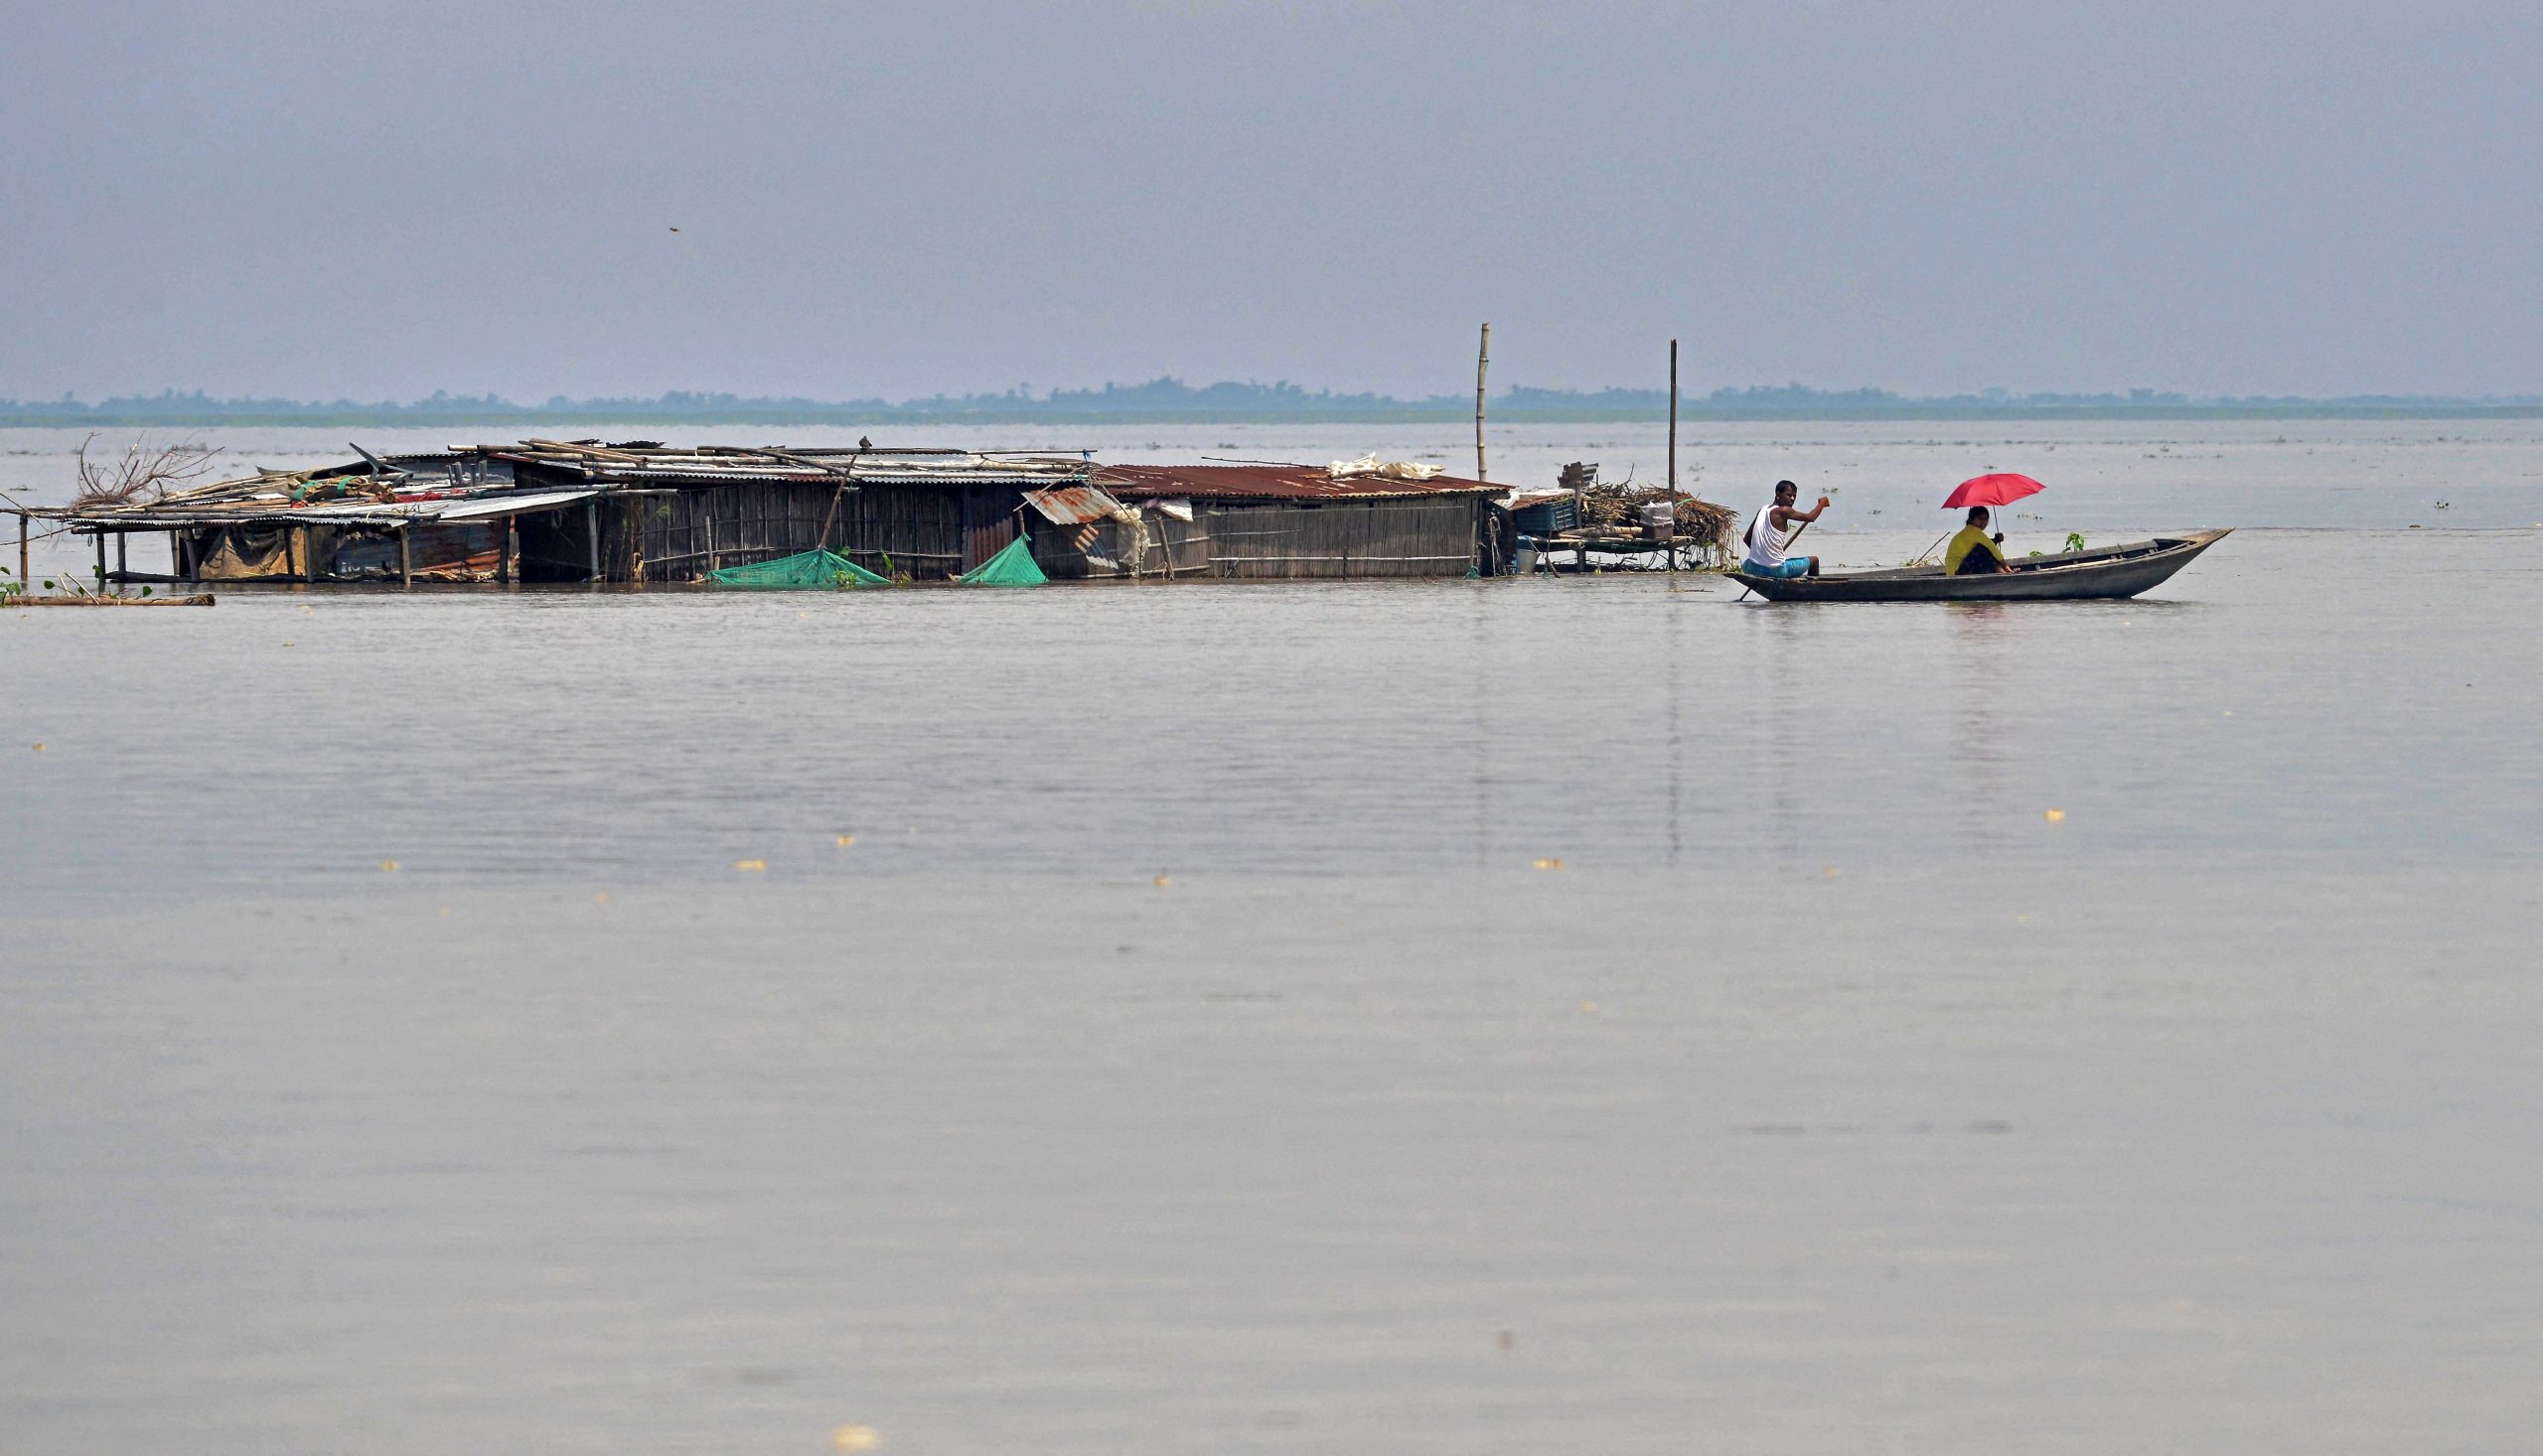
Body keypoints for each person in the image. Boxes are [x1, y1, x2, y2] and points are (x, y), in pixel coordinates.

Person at [1742, 480, 1828, 577]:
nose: (1792, 499)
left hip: (1750, 567)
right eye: (1788, 495)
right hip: (1776, 571)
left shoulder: (1763, 510)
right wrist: (1822, 504)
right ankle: (1812, 590)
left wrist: (1764, 556)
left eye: (1794, 496)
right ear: (1777, 494)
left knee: (1780, 562)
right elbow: (1810, 517)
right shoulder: (1784, 510)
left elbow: (1747, 539)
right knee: (1814, 560)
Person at [1943, 507, 2013, 575]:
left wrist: (1996, 540)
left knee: (1985, 552)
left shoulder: (1970, 531)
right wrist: (2006, 566)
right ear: (1972, 519)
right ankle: (2003, 572)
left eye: (1985, 519)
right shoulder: (1974, 531)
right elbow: (1991, 547)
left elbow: (1988, 544)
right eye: (1979, 519)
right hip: (1956, 572)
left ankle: (2001, 570)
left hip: (1955, 571)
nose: (1983, 522)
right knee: (1984, 549)